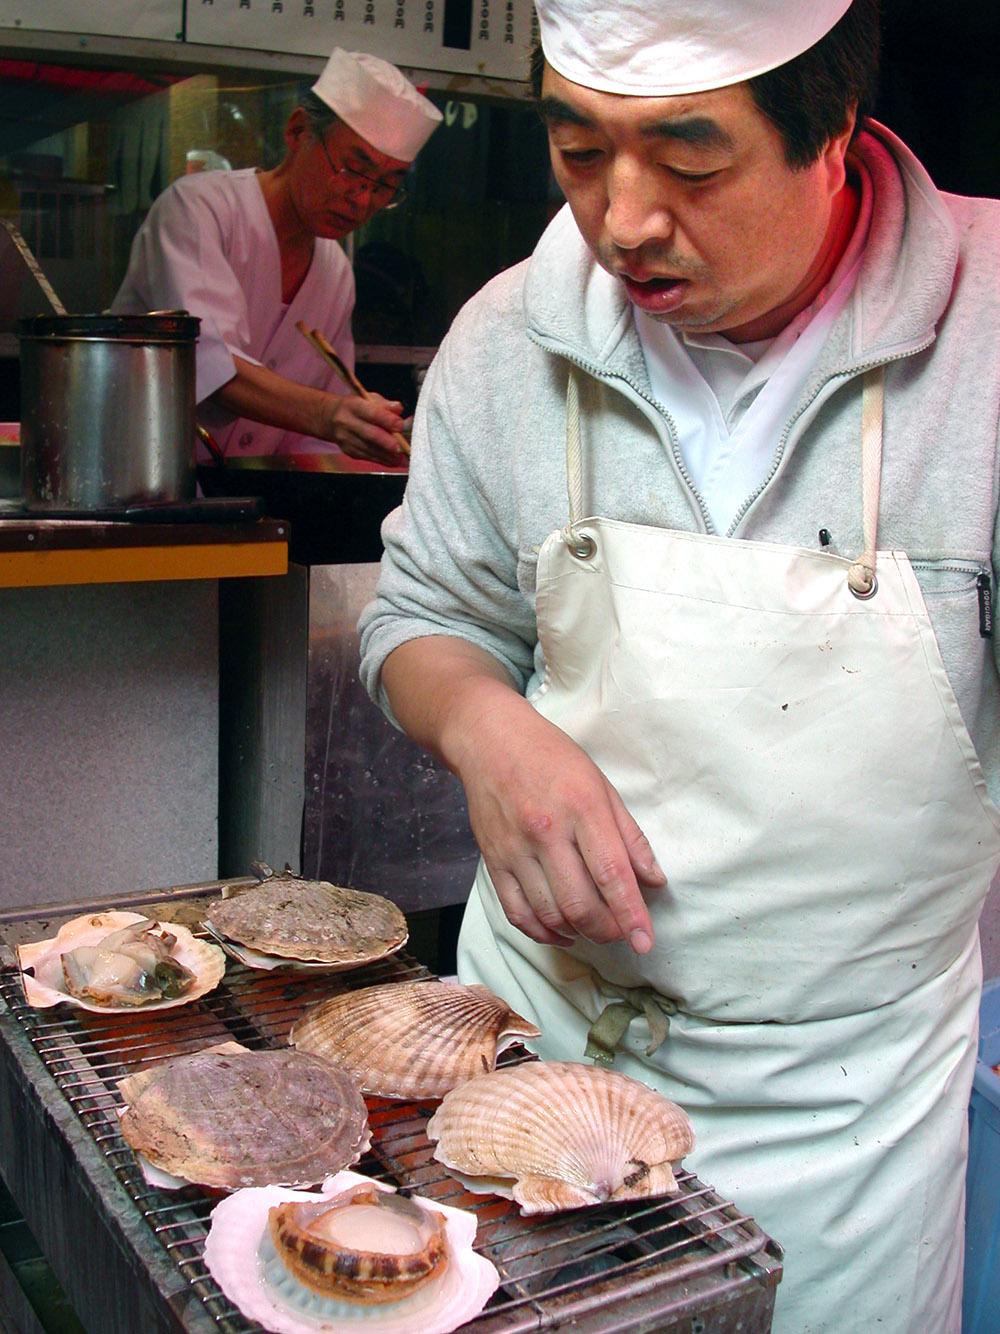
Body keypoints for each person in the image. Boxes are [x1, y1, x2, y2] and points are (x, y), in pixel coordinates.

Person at [358, 0, 1000, 1328]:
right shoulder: (506, 337)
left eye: (690, 158)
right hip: (521, 1060)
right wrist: (487, 725)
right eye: (578, 147)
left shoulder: (984, 345)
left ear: (834, 129)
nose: (623, 218)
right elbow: (421, 614)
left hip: (842, 1125)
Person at [112, 48, 441, 466]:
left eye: (384, 187)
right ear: (298, 130)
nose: (361, 200)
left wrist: (369, 436)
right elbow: (206, 364)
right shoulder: (199, 210)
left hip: (244, 501)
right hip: (137, 480)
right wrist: (329, 414)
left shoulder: (335, 272)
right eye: (352, 171)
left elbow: (311, 440)